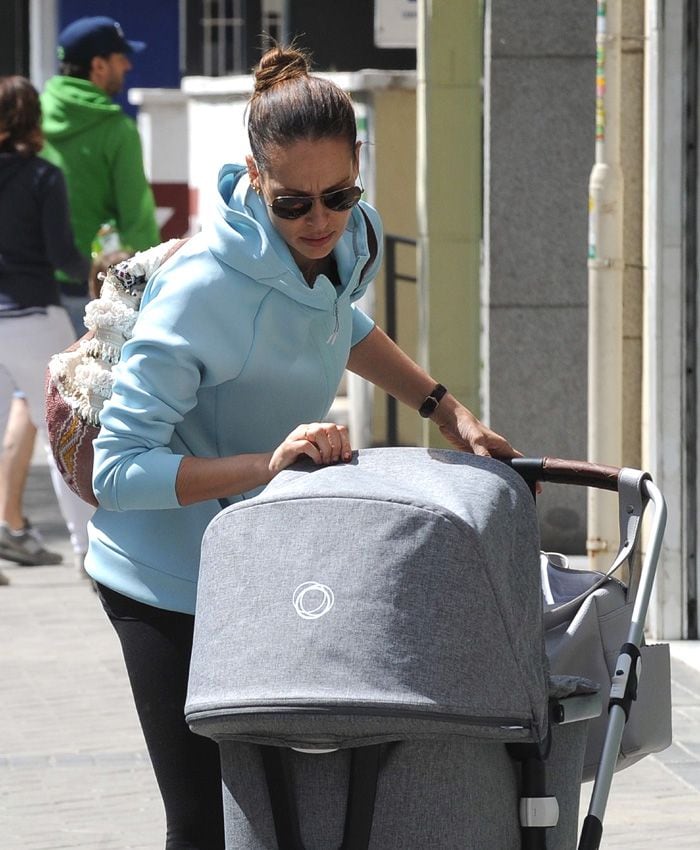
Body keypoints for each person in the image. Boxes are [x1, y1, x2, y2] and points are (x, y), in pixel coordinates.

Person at [85, 45, 520, 848]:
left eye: (339, 194)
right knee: (210, 822)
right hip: (164, 577)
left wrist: (441, 406)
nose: (319, 221)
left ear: (359, 167)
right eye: (293, 203)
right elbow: (115, 471)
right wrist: (268, 466)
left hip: (258, 555)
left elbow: (334, 323)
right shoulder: (205, 291)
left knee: (292, 808)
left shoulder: (349, 241)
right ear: (254, 176)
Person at [0, 75, 95, 575]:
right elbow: (62, 254)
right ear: (33, 120)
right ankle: (87, 550)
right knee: (67, 437)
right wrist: (97, 266)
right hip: (35, 314)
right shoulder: (43, 176)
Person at [40, 15, 160, 335]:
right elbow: (138, 217)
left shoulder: (31, 118)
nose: (128, 67)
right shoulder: (117, 131)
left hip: (25, 292)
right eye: (121, 58)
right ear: (99, 65)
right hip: (92, 292)